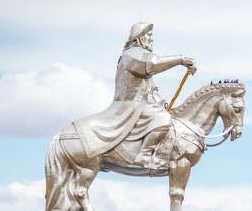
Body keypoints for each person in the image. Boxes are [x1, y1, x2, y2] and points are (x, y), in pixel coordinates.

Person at [74, 22, 196, 170]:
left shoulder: (140, 55)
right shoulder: (133, 53)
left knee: (163, 115)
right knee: (163, 119)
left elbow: (151, 87)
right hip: (131, 104)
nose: (151, 39)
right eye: (148, 36)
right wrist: (180, 59)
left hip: (142, 103)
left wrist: (159, 102)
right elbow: (153, 64)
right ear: (139, 38)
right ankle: (144, 155)